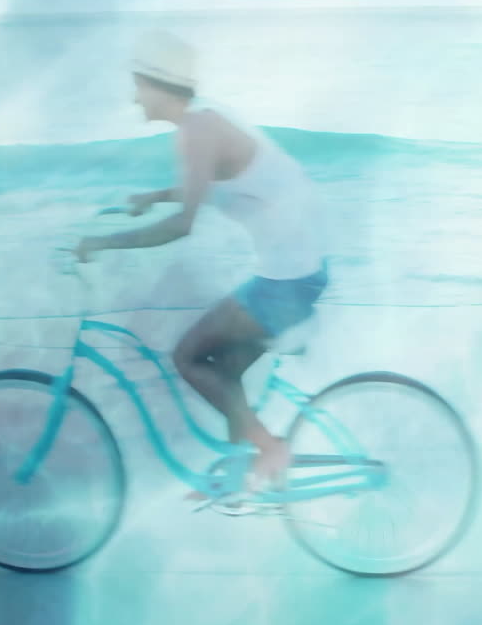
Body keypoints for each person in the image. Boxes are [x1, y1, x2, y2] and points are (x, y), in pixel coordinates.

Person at [73, 30, 328, 495]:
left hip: (286, 279)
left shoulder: (196, 132)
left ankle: (269, 450)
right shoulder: (204, 122)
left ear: (160, 84)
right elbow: (211, 184)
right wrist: (156, 196)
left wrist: (103, 243)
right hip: (296, 270)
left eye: (139, 85)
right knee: (224, 369)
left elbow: (182, 226)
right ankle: (238, 474)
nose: (134, 98)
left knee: (188, 356)